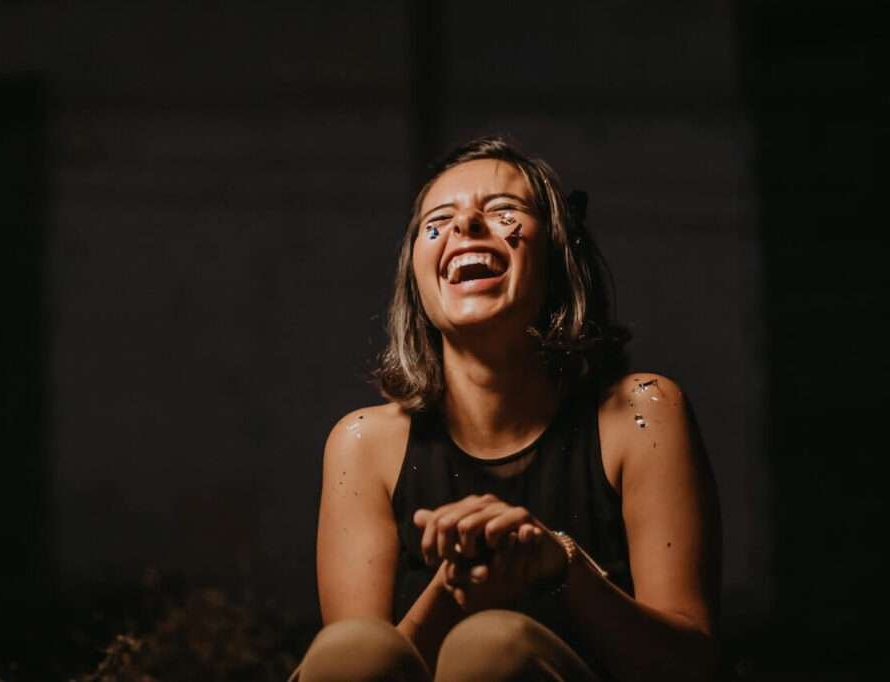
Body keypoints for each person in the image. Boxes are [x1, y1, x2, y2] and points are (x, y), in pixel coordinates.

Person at [292, 137, 722, 681]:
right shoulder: (363, 445)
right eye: (438, 221)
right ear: (417, 277)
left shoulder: (641, 414)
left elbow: (695, 665)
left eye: (503, 212)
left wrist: (559, 564)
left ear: (559, 256)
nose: (465, 227)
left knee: (493, 647)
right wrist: (457, 586)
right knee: (350, 650)